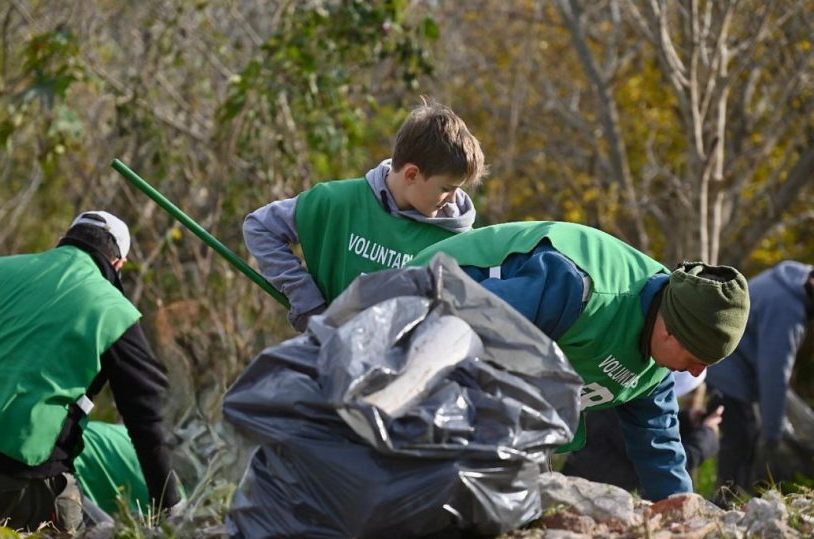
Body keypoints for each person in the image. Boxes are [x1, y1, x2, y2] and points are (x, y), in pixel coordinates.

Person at [407, 221, 750, 501]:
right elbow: (472, 333)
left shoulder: (656, 359)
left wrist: (681, 510)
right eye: (694, 359)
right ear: (670, 331)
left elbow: (658, 443)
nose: (695, 373)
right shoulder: (578, 289)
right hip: (420, 301)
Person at [0, 211, 182, 531]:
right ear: (118, 264)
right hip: (24, 478)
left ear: (65, 241)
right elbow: (147, 413)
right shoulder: (112, 309)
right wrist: (170, 503)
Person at [243, 99, 486, 331]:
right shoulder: (339, 202)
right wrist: (308, 304)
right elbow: (260, 228)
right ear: (411, 174)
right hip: (330, 358)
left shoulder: (459, 242)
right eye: (446, 189)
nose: (453, 199)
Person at [706, 260, 814, 495]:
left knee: (745, 438)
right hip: (727, 371)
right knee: (742, 440)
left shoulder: (792, 276)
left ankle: (733, 499)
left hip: (729, 365)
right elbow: (774, 375)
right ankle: (725, 505)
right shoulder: (787, 309)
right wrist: (773, 435)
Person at [561, 371, 724, 494]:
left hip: (595, 480)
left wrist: (687, 420)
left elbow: (656, 428)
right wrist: (704, 439)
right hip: (593, 491)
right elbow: (663, 459)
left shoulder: (625, 390)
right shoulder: (630, 407)